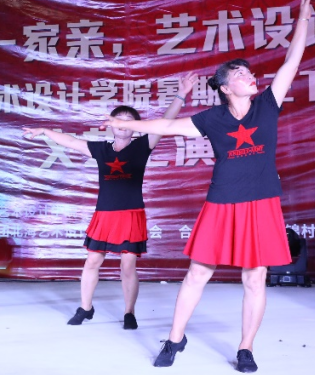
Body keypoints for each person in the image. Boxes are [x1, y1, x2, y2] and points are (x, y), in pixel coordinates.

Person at [106, 0, 315, 372]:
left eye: (249, 72)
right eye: (239, 74)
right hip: (222, 202)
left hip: (262, 201)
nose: (249, 76)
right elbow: (167, 126)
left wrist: (303, 18)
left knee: (255, 278)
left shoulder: (268, 104)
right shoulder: (212, 119)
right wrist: (126, 124)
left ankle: (246, 348)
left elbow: (293, 60)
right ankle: (175, 338)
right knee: (198, 273)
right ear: (224, 87)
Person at [23, 74, 196, 330]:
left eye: (128, 120)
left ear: (136, 126)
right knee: (92, 261)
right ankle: (85, 308)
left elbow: (167, 121)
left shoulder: (143, 145)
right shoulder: (101, 149)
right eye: (119, 120)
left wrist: (181, 94)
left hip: (131, 214)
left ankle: (129, 312)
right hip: (104, 214)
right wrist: (44, 131)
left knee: (128, 265)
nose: (123, 124)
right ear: (111, 124)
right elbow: (70, 141)